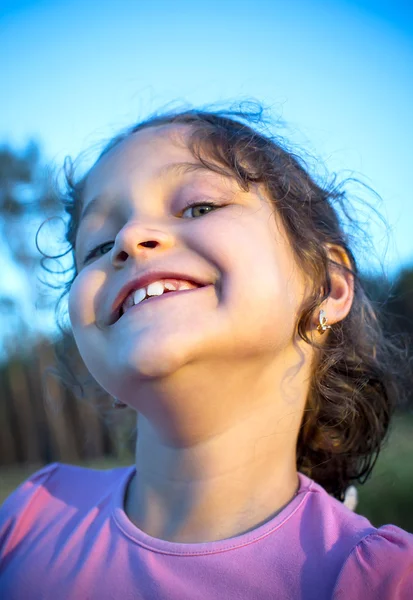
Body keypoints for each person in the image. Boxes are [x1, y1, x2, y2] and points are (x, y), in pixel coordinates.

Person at [0, 106, 412, 599]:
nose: (128, 239)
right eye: (97, 245)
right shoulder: (27, 519)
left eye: (198, 207)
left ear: (327, 285)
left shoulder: (379, 580)